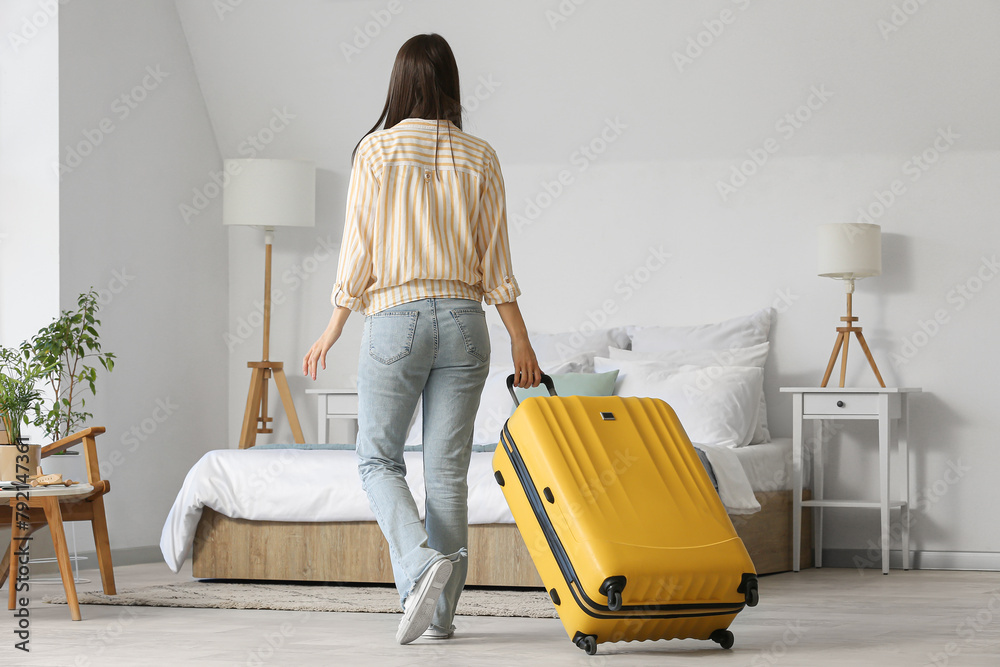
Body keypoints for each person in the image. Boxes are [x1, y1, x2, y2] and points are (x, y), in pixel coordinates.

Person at [303, 33, 541, 645]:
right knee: (448, 473)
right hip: (467, 322)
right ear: (451, 84)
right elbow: (497, 263)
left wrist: (333, 325)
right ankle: (440, 616)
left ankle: (416, 566)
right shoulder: (482, 156)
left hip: (396, 319)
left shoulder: (375, 153)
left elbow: (357, 252)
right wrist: (522, 342)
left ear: (401, 83)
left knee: (377, 457)